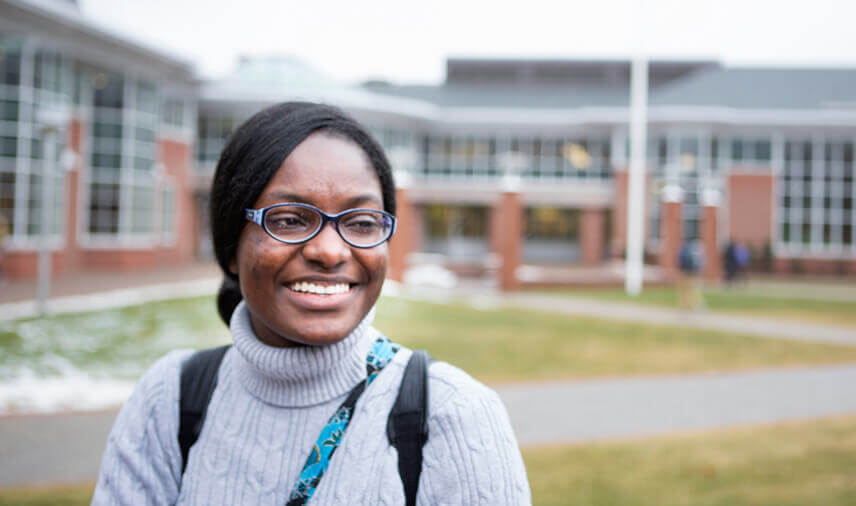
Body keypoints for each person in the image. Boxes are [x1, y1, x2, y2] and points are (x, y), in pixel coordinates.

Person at [92, 102, 531, 505]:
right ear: (230, 246)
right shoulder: (170, 399)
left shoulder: (454, 415)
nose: (330, 251)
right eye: (289, 220)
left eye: (360, 223)